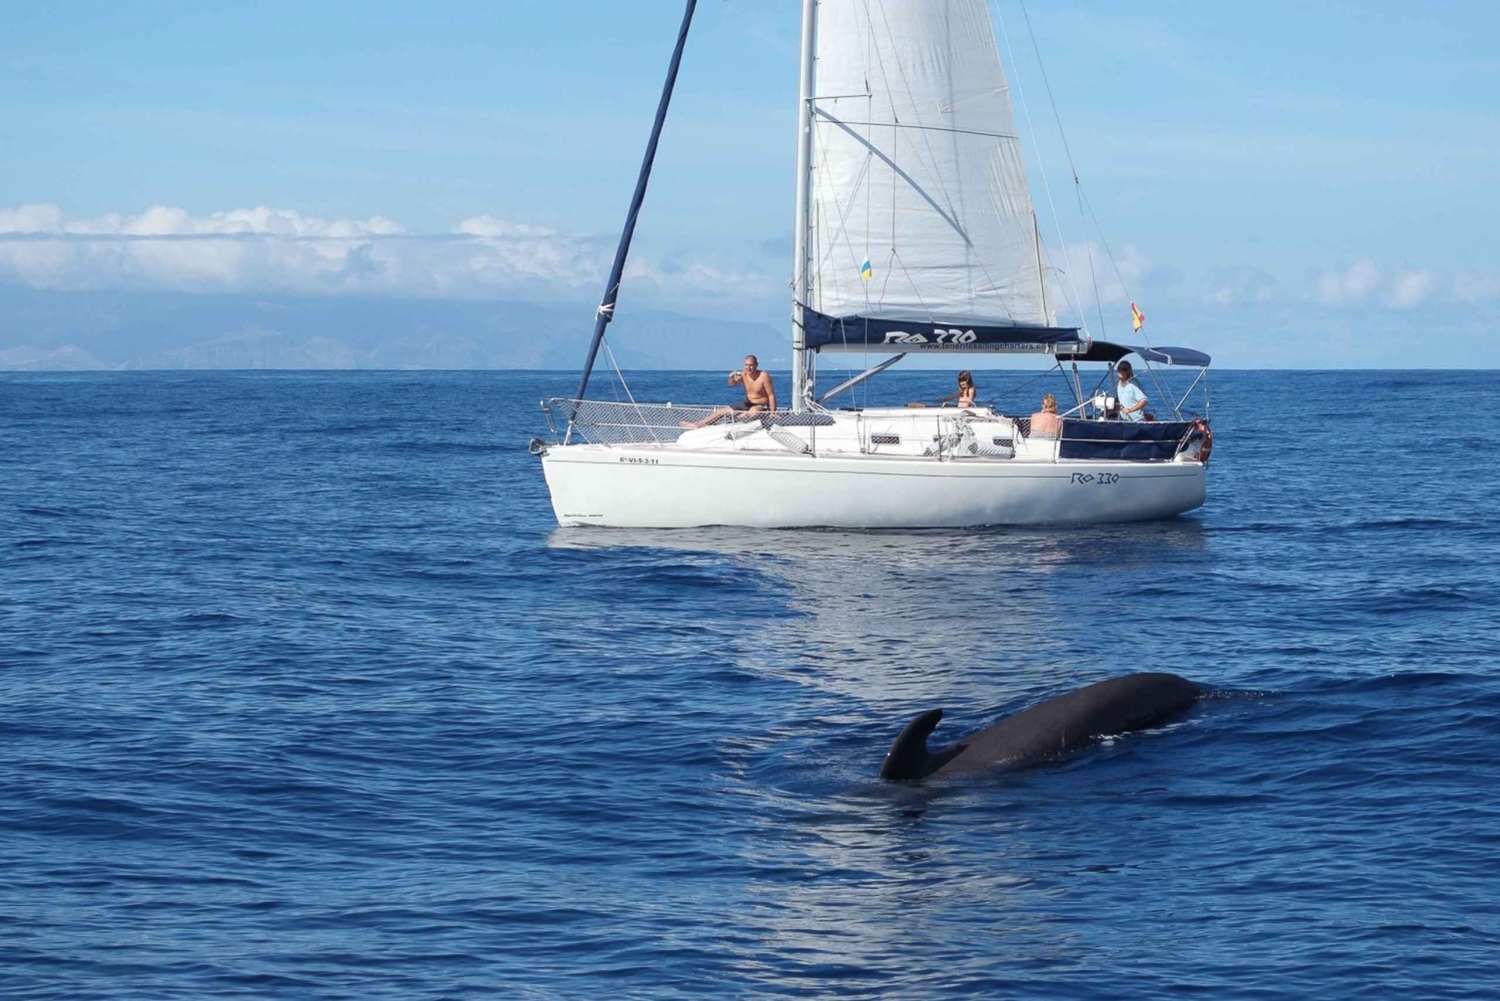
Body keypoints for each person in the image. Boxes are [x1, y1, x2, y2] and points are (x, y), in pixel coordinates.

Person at [680, 354, 777, 429]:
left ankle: (735, 418)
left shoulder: (764, 376)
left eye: (751, 365)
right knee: (721, 411)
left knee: (754, 412)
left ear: (756, 365)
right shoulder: (744, 374)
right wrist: (731, 377)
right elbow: (732, 384)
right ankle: (698, 425)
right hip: (747, 403)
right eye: (746, 365)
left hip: (760, 406)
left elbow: (771, 395)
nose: (749, 368)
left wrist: (773, 412)